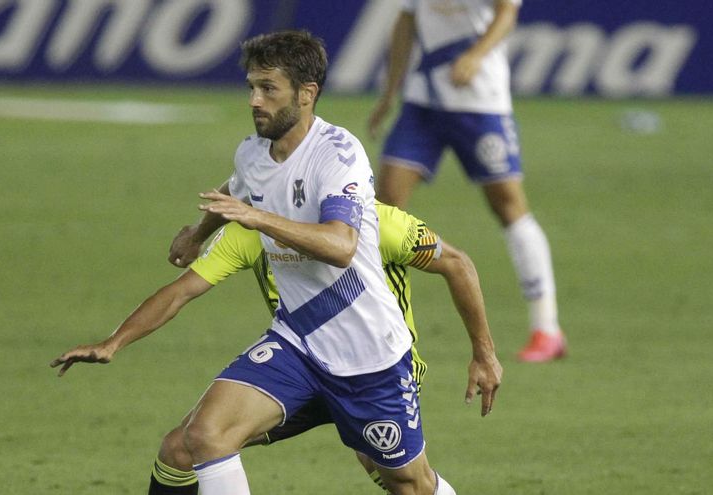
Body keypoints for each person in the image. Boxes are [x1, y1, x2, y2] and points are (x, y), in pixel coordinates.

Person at [53, 31, 500, 495]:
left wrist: (257, 217)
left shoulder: (338, 154)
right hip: (299, 345)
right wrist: (198, 233)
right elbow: (238, 186)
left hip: (369, 358)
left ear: (306, 95)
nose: (254, 100)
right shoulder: (253, 153)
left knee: (410, 485)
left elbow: (341, 245)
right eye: (252, 87)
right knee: (203, 436)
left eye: (269, 89)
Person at [83, 202, 490, 494]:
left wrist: (484, 354)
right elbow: (181, 291)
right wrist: (114, 342)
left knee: (405, 483)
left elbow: (456, 263)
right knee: (185, 445)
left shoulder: (376, 222)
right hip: (299, 362)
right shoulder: (252, 231)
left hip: (372, 370)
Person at [367, 0, 566, 362]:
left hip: (481, 102)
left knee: (508, 206)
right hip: (422, 102)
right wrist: (390, 91)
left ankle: (546, 328)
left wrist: (476, 55)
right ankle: (375, 321)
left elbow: (507, 11)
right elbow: (406, 20)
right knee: (383, 209)